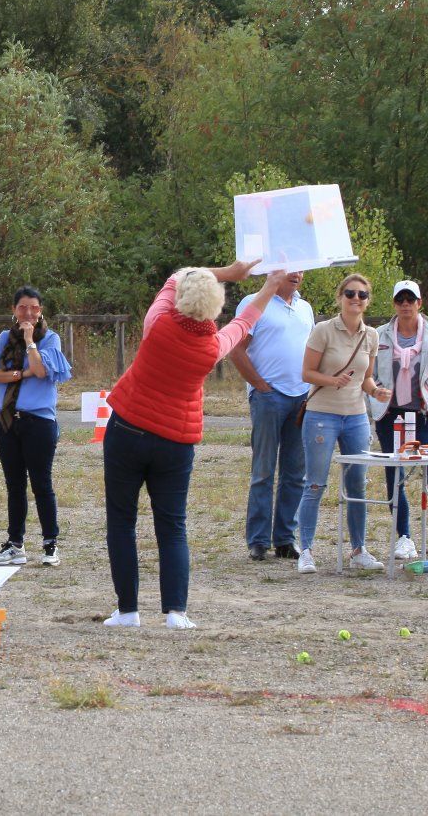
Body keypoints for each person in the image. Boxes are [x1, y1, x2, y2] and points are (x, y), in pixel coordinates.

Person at [100, 260, 285, 629]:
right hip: (175, 441)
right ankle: (176, 612)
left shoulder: (157, 323)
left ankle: (128, 611)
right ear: (215, 308)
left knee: (121, 522)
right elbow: (245, 321)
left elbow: (175, 276)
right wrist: (269, 287)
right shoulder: (212, 347)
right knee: (172, 526)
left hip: (128, 429)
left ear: (180, 299)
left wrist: (229, 271)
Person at [295, 274, 395, 575]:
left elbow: (366, 378)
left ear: (368, 301)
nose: (356, 299)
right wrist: (331, 380)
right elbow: (306, 373)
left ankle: (358, 550)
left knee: (357, 484)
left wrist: (375, 391)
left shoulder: (371, 335)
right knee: (315, 483)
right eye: (350, 293)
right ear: (340, 297)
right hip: (322, 414)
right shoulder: (323, 330)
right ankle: (306, 551)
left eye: (362, 295)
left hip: (356, 416)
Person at [365, 280, 428, 561]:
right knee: (395, 475)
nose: (406, 305)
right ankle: (404, 538)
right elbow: (367, 375)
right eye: (400, 300)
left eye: (411, 300)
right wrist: (373, 401)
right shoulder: (378, 336)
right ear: (394, 303)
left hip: (422, 416)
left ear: (420, 303)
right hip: (389, 416)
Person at [0, 286, 72, 567]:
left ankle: (50, 544)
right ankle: (15, 545)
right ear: (13, 310)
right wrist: (22, 373)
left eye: (34, 307)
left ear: (40, 310)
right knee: (14, 485)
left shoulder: (51, 338)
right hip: (8, 420)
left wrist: (30, 341)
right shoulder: (4, 338)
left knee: (42, 484)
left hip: (39, 423)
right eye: (22, 307)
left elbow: (42, 370)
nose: (28, 313)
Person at [230, 270, 312, 561]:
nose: (296, 274)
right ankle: (258, 540)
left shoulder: (305, 308)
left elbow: (311, 351)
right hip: (269, 397)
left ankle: (286, 539)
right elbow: (236, 349)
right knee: (263, 470)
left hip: (301, 397)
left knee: (295, 472)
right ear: (275, 270)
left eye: (301, 269)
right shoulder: (254, 302)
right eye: (291, 269)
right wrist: (260, 386)